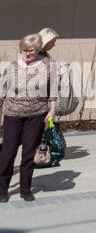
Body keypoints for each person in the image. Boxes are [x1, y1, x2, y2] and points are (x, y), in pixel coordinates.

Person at [0, 35, 57, 201]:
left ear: (38, 49)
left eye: (30, 50)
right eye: (24, 50)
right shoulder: (12, 67)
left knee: (29, 153)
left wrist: (52, 110)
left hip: (36, 115)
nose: (26, 54)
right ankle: (2, 189)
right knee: (7, 153)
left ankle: (25, 189)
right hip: (12, 114)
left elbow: (52, 90)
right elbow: (2, 90)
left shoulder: (49, 66)